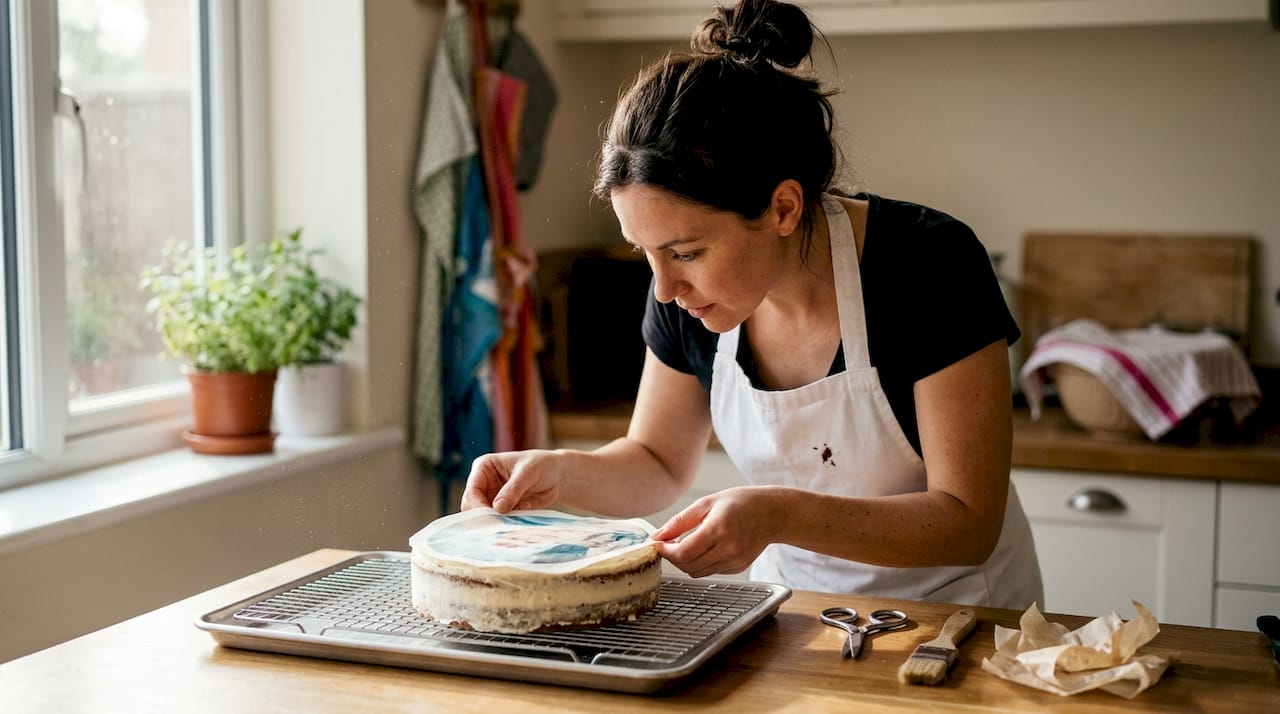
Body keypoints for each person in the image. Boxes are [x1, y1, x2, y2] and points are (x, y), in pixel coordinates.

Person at [462, 0, 1043, 609]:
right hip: (800, 615)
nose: (662, 289)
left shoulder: (927, 265)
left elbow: (968, 521)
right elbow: (658, 459)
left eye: (685, 251)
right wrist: (560, 472)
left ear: (783, 209)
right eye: (645, 252)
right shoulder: (684, 293)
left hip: (961, 622)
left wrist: (777, 514)